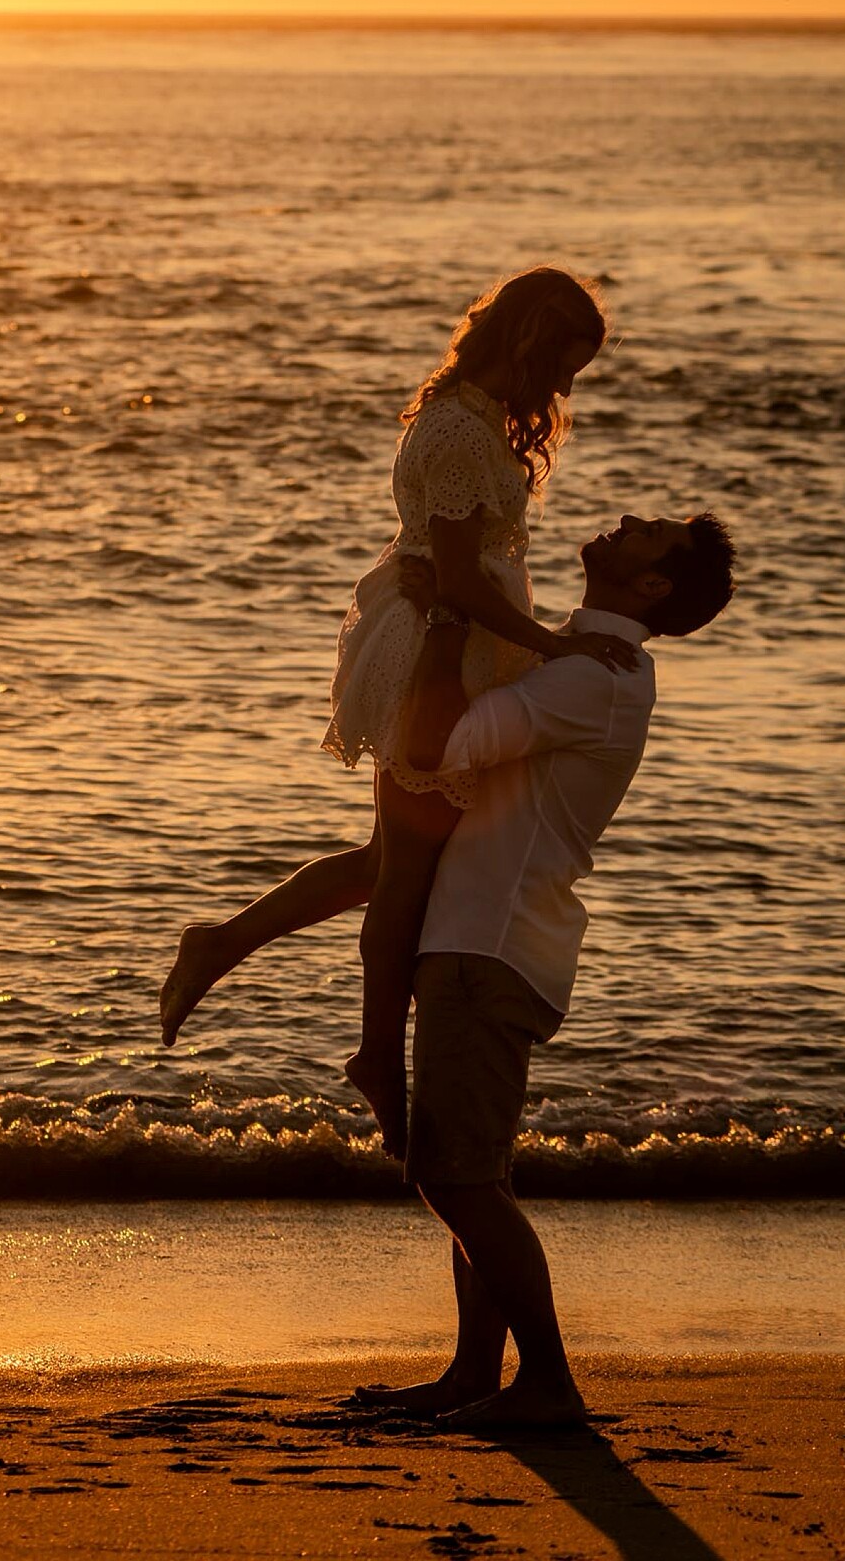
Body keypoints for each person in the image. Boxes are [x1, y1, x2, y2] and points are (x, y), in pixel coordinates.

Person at [160, 267, 634, 1158]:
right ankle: (376, 1054)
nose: (567, 390)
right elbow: (455, 578)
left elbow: (461, 569)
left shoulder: (474, 415)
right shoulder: (459, 430)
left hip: (455, 643)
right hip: (436, 655)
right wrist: (559, 644)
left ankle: (224, 946)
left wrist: (534, 637)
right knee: (404, 871)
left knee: (392, 859)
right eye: (566, 366)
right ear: (530, 341)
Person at [352, 506, 736, 1429]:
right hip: (485, 938)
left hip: (491, 944)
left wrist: (448, 613)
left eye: (654, 535)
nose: (631, 521)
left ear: (651, 588)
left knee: (455, 1179)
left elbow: (433, 748)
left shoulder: (595, 678)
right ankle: (473, 1375)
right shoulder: (575, 659)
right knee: (473, 1173)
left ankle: (549, 1385)